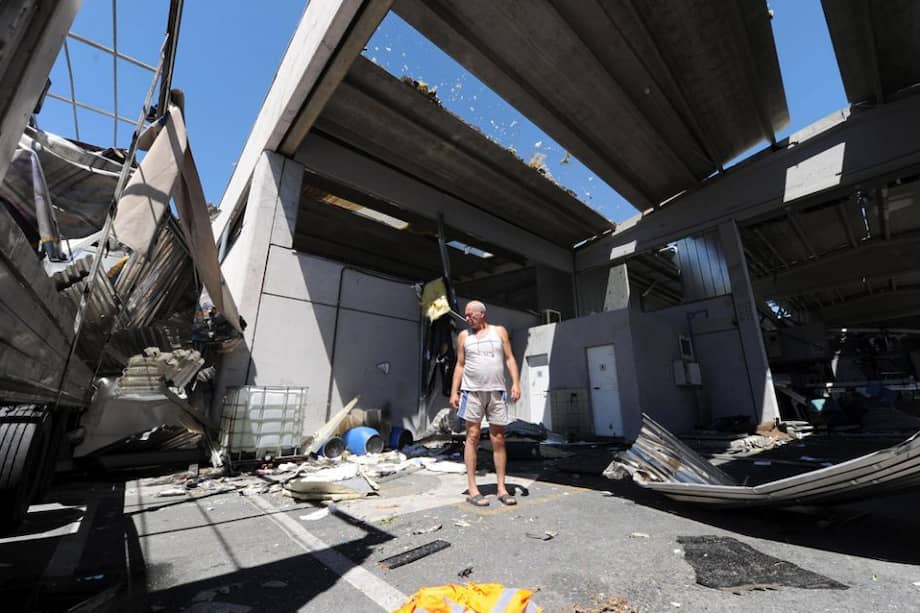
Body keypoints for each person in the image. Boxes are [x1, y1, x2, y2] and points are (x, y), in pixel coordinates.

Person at [449, 300, 521, 506]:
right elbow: (460, 365)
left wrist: (516, 383)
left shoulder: (499, 332)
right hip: (471, 393)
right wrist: (454, 391)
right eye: (466, 315)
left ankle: (501, 488)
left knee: (498, 438)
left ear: (482, 314)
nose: (467, 318)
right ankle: (473, 489)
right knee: (472, 436)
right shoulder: (464, 337)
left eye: (471, 314)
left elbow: (509, 358)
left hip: (496, 392)